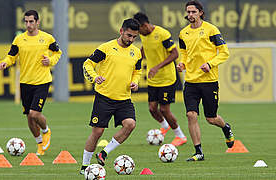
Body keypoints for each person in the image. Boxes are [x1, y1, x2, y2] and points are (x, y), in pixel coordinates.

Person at [80, 18, 142, 174]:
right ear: (121, 31)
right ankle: (84, 166)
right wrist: (94, 77)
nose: (131, 39)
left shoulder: (136, 52)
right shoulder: (106, 48)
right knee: (98, 132)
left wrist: (135, 82)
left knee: (130, 124)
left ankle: (104, 152)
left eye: (134, 37)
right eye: (129, 35)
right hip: (104, 97)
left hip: (124, 99)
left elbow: (137, 71)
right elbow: (87, 64)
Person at [0, 10, 62, 156]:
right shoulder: (19, 39)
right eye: (26, 21)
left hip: (42, 81)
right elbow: (11, 56)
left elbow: (58, 53)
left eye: (31, 21)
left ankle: (46, 131)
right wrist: (5, 63)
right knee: (29, 116)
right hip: (25, 82)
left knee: (34, 113)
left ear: (38, 22)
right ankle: (39, 144)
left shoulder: (47, 38)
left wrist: (50, 61)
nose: (28, 24)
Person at [177, 0, 235, 161]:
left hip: (209, 81)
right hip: (190, 81)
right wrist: (182, 63)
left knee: (211, 118)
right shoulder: (183, 33)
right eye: (188, 12)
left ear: (201, 13)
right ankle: (198, 152)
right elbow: (185, 53)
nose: (190, 15)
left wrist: (210, 64)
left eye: (193, 12)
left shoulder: (211, 30)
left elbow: (224, 53)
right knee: (191, 115)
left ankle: (226, 127)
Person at [133, 12, 187, 147]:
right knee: (152, 109)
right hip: (153, 80)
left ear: (145, 25)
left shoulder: (162, 34)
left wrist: (157, 67)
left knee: (164, 110)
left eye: (139, 30)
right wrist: (136, 58)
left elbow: (175, 54)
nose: (138, 34)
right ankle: (165, 126)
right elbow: (145, 48)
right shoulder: (144, 35)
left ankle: (180, 135)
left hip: (166, 79)